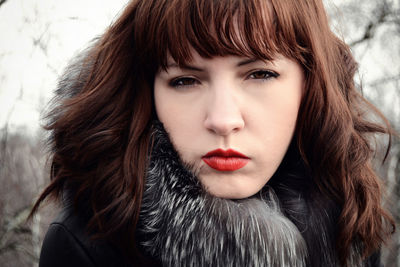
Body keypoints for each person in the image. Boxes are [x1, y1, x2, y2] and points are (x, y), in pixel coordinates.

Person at [30, 0, 396, 266]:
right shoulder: (85, 247)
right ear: (148, 92)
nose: (223, 120)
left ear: (310, 84)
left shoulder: (349, 221)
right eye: (185, 80)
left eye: (259, 74)